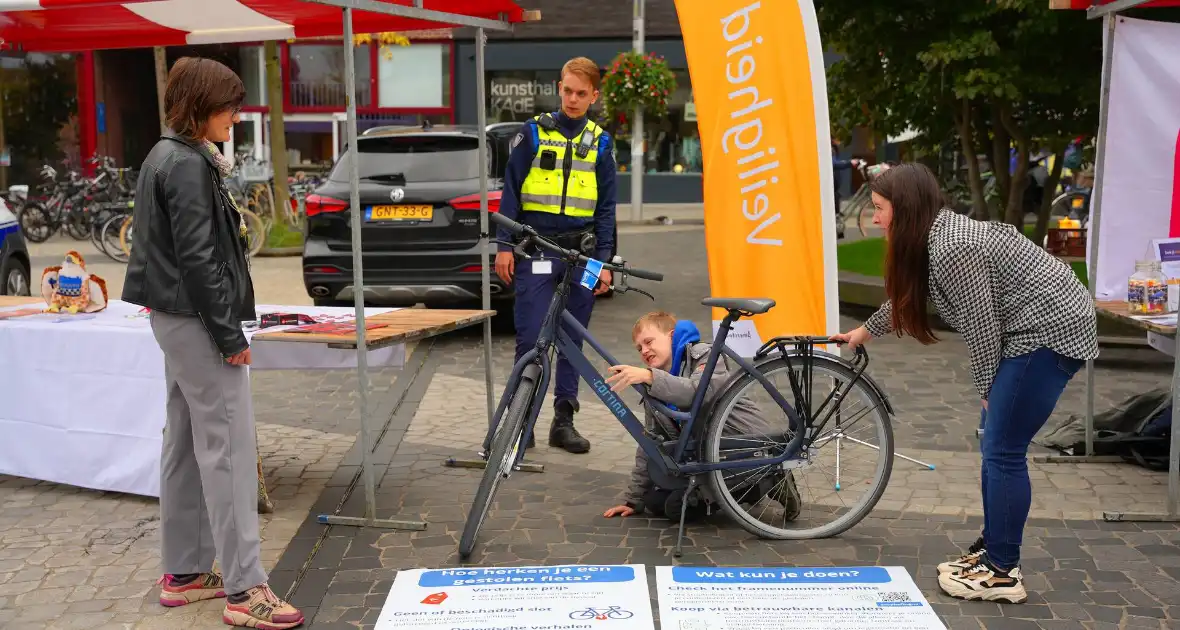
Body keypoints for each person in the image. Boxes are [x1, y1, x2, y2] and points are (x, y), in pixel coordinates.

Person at [832, 163, 1098, 605]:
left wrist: (987, 389)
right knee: (994, 446)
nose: (875, 219)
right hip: (1028, 331)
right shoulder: (934, 235)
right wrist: (863, 332)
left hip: (1047, 332)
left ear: (906, 207)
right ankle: (993, 549)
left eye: (879, 209)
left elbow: (981, 327)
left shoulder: (954, 247)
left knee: (1003, 449)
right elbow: (914, 295)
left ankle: (1002, 570)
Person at [122, 57, 304, 629]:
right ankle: (246, 589)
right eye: (229, 105)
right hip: (198, 322)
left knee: (183, 441)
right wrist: (229, 335)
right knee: (225, 449)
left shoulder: (166, 154)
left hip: (174, 319)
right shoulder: (187, 164)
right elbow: (198, 258)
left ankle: (186, 572)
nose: (236, 114)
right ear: (202, 105)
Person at [492, 57, 617, 455]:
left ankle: (564, 422)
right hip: (536, 252)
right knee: (530, 337)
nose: (574, 99)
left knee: (573, 341)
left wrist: (604, 263)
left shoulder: (602, 142)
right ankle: (521, 423)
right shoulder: (531, 134)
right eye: (568, 90)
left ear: (594, 96)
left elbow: (607, 209)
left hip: (582, 257)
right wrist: (504, 246)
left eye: (582, 93)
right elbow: (509, 193)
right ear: (558, 87)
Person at [601, 312, 802, 523]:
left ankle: (768, 478)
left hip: (748, 447)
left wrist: (650, 377)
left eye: (648, 342)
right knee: (654, 502)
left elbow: (697, 392)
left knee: (675, 508)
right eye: (639, 348)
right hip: (713, 454)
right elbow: (649, 443)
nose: (644, 351)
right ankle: (739, 486)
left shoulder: (704, 355)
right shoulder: (656, 382)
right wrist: (632, 500)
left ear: (671, 336)